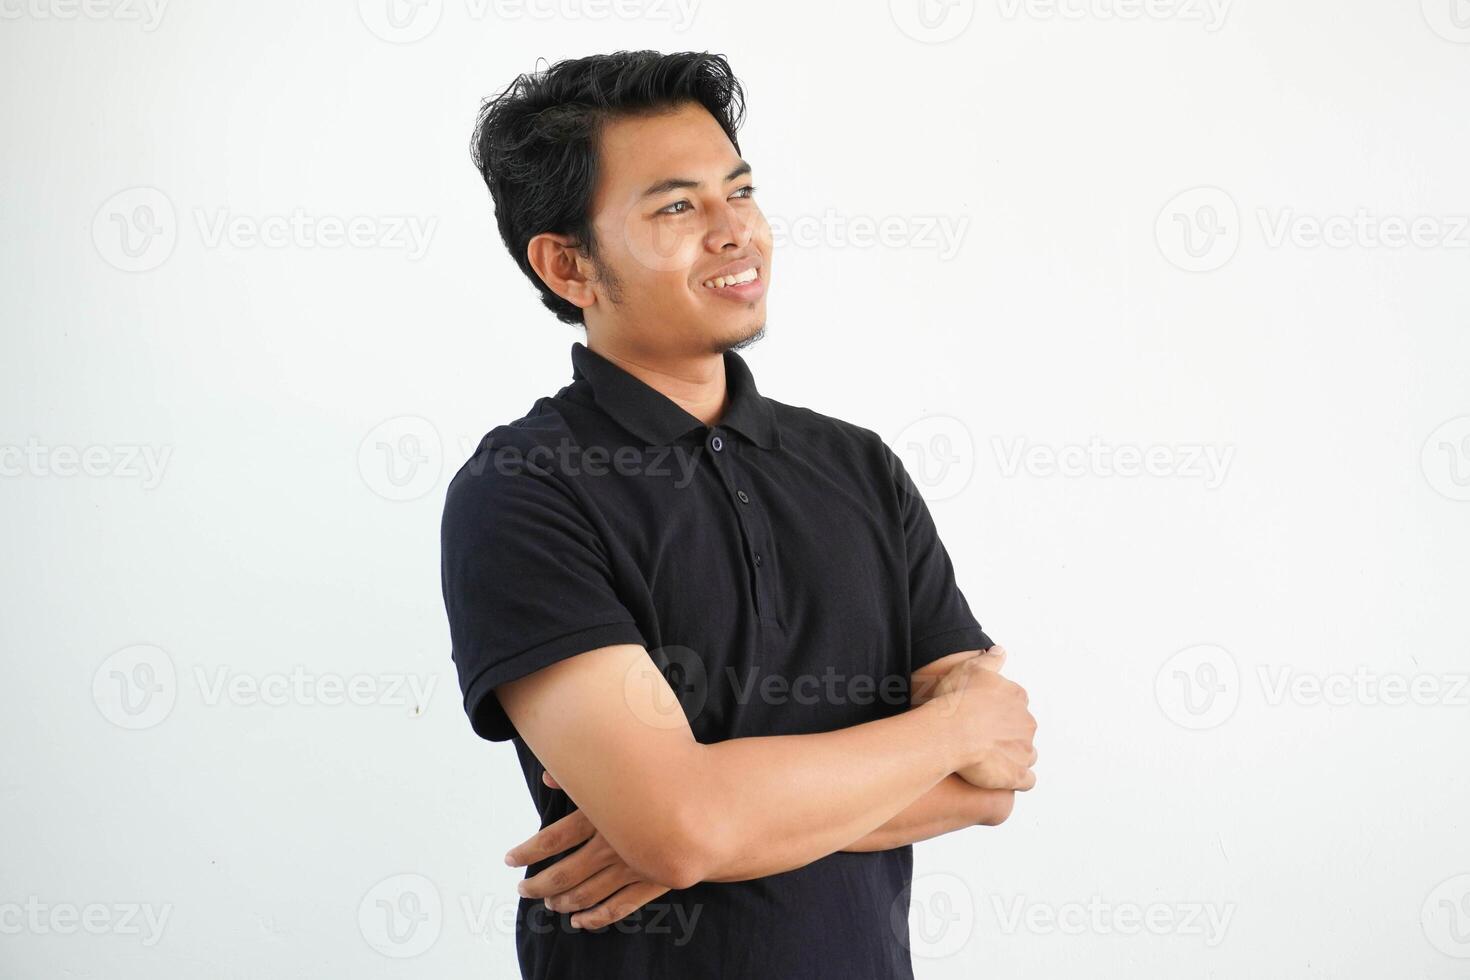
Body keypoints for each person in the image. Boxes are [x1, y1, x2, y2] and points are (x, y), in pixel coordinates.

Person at [440, 49, 1038, 979]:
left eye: (741, 191)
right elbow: (683, 826)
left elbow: (994, 783)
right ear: (569, 267)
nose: (736, 232)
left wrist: (716, 823)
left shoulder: (858, 466)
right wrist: (952, 728)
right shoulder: (523, 490)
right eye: (677, 206)